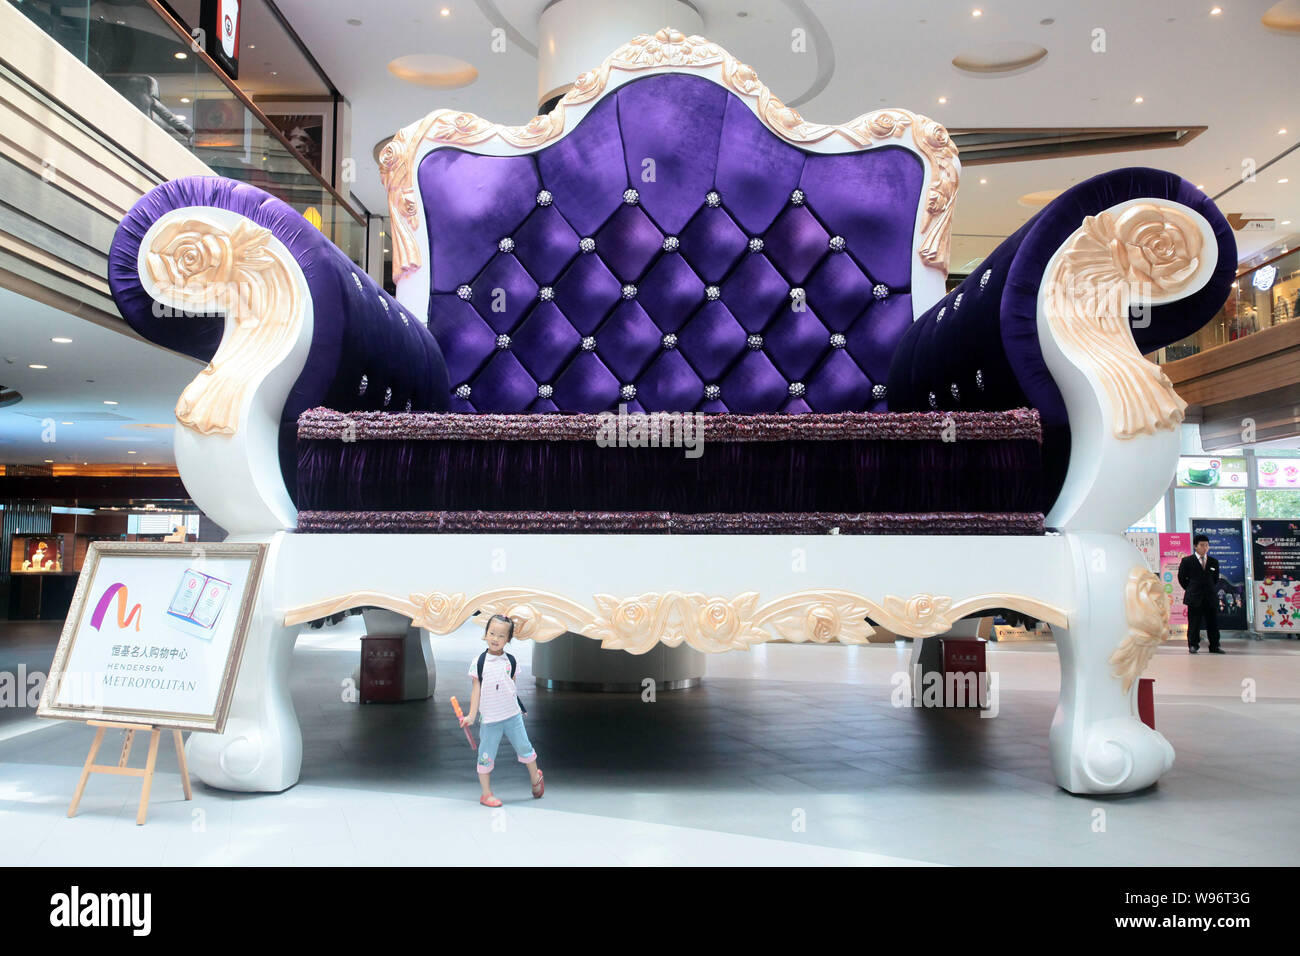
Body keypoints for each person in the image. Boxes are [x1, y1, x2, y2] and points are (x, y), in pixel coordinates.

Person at [459, 614, 544, 806]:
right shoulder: (479, 662)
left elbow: (511, 687)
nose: (495, 639)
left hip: (513, 716)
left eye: (501, 636)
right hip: (490, 720)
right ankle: (486, 793)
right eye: (492, 633)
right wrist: (471, 716)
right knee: (486, 755)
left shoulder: (511, 661)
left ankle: (535, 779)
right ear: (485, 634)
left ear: (508, 639)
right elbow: (476, 691)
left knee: (525, 748)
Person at [1178, 534, 1223, 654]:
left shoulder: (1214, 562)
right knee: (1194, 623)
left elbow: (1215, 579)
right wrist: (1191, 589)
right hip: (1194, 596)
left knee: (1213, 623)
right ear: (1195, 546)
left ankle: (1214, 646)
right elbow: (1182, 578)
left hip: (1210, 597)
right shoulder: (1187, 561)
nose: (1205, 548)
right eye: (1202, 545)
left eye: (1207, 545)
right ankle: (1193, 645)